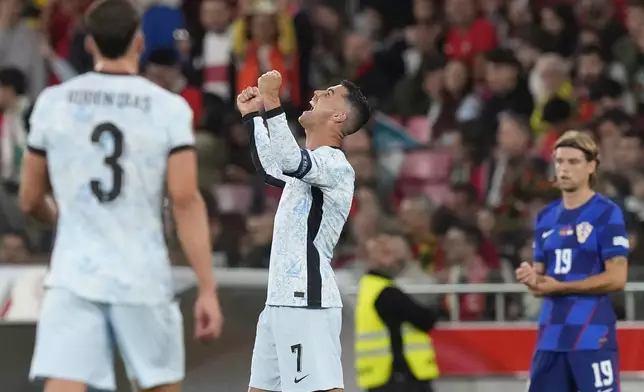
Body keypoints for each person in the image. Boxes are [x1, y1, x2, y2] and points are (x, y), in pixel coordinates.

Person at [18, 1, 223, 392]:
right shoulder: (168, 108)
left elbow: (29, 199)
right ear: (139, 42)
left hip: (75, 273)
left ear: (90, 43)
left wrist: (63, 220)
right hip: (141, 273)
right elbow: (184, 199)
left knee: (64, 384)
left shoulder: (53, 102)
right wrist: (207, 289)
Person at [236, 70, 370, 392]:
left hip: (306, 298)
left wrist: (272, 101)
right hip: (280, 299)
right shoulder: (309, 167)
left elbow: (288, 160)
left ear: (339, 116)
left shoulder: (335, 166)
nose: (317, 92)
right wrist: (254, 117)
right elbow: (272, 167)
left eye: (330, 93)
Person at [516, 130, 629, 392]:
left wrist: (561, 287)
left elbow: (617, 278)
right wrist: (532, 279)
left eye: (573, 162)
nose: (564, 169)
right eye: (559, 162)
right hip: (550, 337)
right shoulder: (546, 216)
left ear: (591, 166)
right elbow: (541, 284)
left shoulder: (606, 213)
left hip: (591, 335)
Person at [355, 231, 440, 392]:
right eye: (387, 253)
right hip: (399, 377)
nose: (394, 259)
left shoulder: (369, 288)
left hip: (380, 377)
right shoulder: (386, 293)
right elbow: (425, 319)